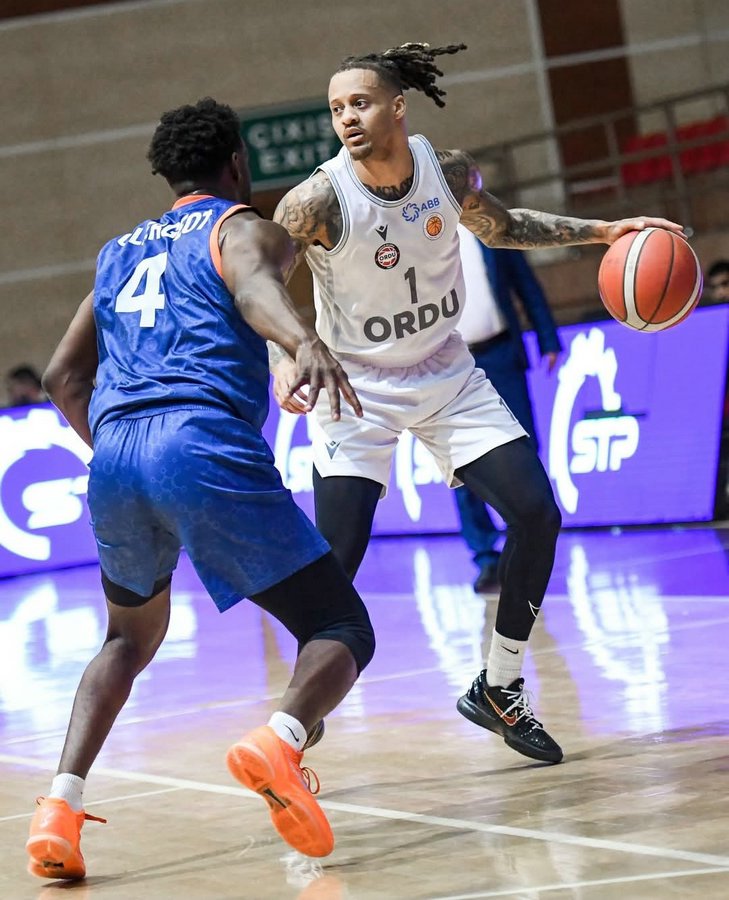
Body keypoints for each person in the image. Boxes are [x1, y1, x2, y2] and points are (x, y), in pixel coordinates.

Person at [269, 42, 684, 766]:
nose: (347, 118)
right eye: (336, 109)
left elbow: (503, 225)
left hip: (446, 372)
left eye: (360, 103)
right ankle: (299, 718)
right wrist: (285, 353)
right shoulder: (317, 199)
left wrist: (602, 232)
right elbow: (259, 279)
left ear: (398, 106)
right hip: (355, 386)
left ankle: (499, 685)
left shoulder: (448, 172)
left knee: (536, 513)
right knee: (336, 563)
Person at [25, 98, 375, 880]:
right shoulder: (242, 228)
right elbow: (252, 289)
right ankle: (280, 741)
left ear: (166, 174)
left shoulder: (116, 254)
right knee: (340, 625)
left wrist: (125, 458)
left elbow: (60, 376)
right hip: (200, 440)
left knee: (124, 640)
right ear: (237, 164)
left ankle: (58, 807)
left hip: (115, 456)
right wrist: (303, 340)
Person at [454, 224, 562, 593]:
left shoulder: (488, 227)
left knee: (526, 450)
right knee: (460, 464)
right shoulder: (418, 233)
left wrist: (548, 337)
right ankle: (486, 557)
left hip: (501, 352)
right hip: (450, 366)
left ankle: (530, 544)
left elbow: (524, 283)